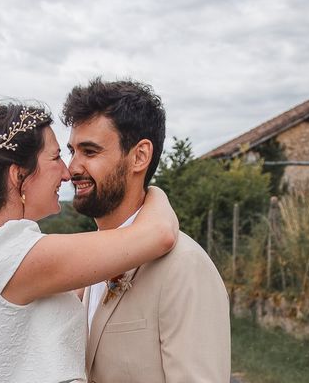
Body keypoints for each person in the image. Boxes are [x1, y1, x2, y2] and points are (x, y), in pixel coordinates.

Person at [0, 97, 179, 383]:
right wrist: (152, 190)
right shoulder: (10, 254)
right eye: (55, 157)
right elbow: (160, 233)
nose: (67, 172)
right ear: (19, 175)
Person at [63, 79, 231, 383]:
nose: (71, 168)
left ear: (139, 156)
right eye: (72, 151)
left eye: (89, 151)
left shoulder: (184, 266)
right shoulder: (90, 261)